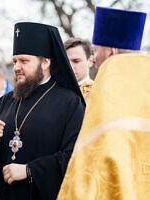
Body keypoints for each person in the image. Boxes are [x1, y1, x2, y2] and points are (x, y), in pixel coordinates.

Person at [0, 22, 85, 200]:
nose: (17, 67)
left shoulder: (70, 103)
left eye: (24, 61)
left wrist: (29, 170)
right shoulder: (6, 101)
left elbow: (75, 157)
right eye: (15, 61)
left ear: (45, 62)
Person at [57, 7, 149, 200]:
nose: (95, 57)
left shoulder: (110, 88)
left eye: (97, 50)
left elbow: (98, 157)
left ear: (112, 51)